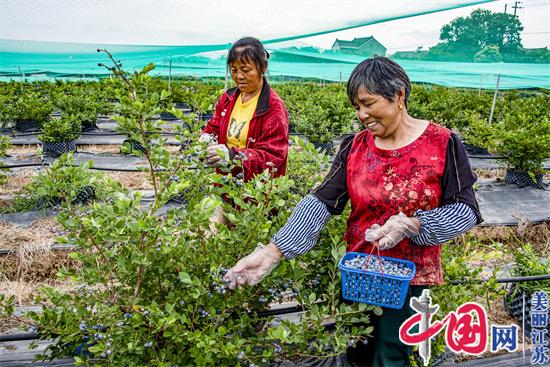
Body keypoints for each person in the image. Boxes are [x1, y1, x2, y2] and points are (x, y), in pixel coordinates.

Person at [223, 57, 482, 367]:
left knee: (391, 355)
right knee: (355, 350)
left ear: (399, 95)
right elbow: (321, 201)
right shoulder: (355, 147)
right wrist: (271, 253)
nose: (362, 115)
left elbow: (465, 210)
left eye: (368, 104)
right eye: (356, 107)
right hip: (359, 274)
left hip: (410, 281)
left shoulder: (443, 143)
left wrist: (413, 224)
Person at [199, 37, 289, 181]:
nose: (239, 76)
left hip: (256, 191)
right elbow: (215, 126)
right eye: (234, 70)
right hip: (226, 182)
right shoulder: (227, 99)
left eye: (246, 70)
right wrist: (206, 137)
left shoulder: (273, 107)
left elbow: (273, 156)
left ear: (263, 67)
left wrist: (233, 156)